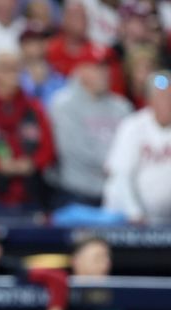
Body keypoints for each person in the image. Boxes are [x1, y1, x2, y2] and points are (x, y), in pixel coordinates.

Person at [0, 51, 55, 215]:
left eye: (16, 69)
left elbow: (48, 147)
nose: (13, 74)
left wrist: (32, 163)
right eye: (6, 69)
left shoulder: (33, 107)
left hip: (31, 193)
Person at [49, 48, 132, 207]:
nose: (104, 72)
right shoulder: (64, 104)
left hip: (115, 193)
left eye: (106, 67)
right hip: (76, 193)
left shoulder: (122, 106)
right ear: (81, 70)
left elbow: (130, 146)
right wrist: (114, 165)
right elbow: (73, 149)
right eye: (97, 67)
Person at [103, 70, 171, 222]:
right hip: (125, 218)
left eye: (169, 97)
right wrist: (134, 212)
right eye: (160, 97)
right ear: (150, 100)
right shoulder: (133, 126)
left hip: (163, 220)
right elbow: (120, 175)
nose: (166, 102)